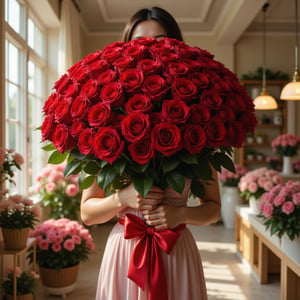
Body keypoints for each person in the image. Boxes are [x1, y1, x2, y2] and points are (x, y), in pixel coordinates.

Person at [81, 6, 221, 300]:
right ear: (126, 48)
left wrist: (180, 213)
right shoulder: (102, 119)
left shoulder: (199, 118)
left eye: (159, 41)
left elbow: (213, 208)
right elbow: (87, 212)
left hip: (177, 251)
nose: (148, 49)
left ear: (176, 46)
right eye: (139, 42)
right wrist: (122, 198)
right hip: (124, 252)